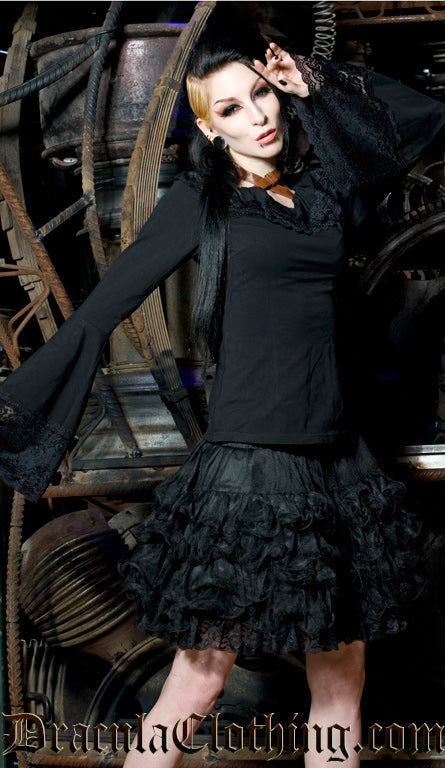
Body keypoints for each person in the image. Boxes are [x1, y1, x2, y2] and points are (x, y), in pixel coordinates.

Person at [1, 21, 445, 768]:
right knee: (197, 682)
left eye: (262, 94)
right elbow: (105, 308)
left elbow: (424, 119)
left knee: (342, 682)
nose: (258, 115)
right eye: (231, 108)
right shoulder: (200, 202)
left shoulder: (327, 189)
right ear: (209, 129)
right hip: (248, 470)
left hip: (339, 464)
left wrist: (314, 79)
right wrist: (19, 412)